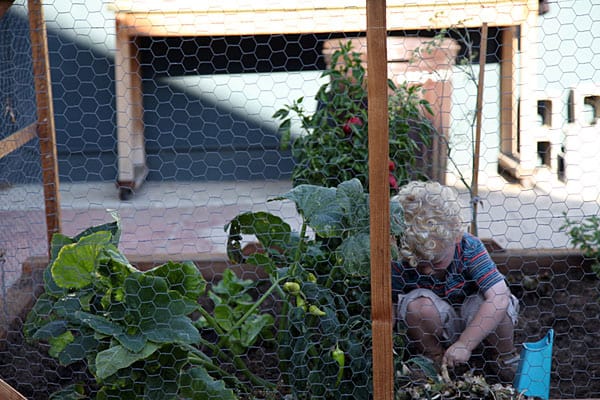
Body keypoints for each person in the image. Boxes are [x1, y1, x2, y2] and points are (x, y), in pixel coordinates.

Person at [392, 180, 520, 383]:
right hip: (438, 325)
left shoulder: (469, 248)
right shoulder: (401, 257)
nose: (426, 270)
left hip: (478, 323)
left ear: (456, 235)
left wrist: (465, 344)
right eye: (419, 262)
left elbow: (499, 297)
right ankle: (435, 360)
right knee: (415, 305)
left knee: (498, 305)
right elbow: (389, 306)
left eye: (436, 261)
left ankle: (504, 358)